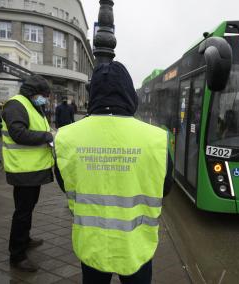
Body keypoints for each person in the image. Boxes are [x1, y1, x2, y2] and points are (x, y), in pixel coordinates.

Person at [54, 61, 173, 284]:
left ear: (93, 93)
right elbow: (165, 187)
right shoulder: (156, 138)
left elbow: (63, 183)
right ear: (129, 92)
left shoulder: (65, 137)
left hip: (91, 242)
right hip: (136, 243)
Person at [1, 75, 54, 272]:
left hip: (32, 169)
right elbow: (19, 134)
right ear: (33, 92)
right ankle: (17, 254)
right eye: (44, 95)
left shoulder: (32, 105)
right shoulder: (16, 105)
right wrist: (47, 136)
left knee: (27, 208)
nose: (46, 99)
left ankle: (25, 239)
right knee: (22, 212)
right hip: (24, 169)